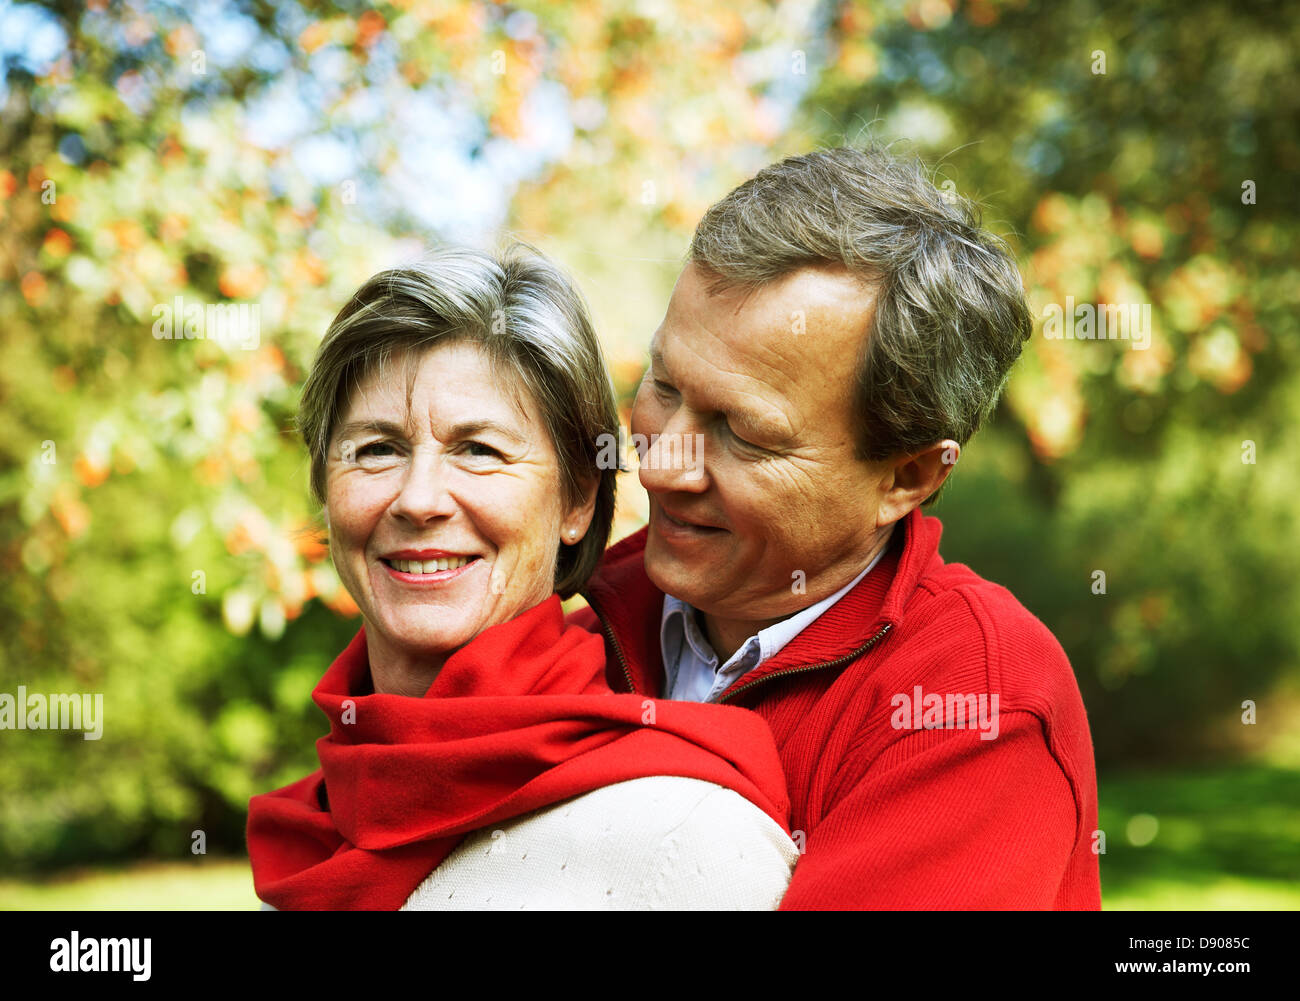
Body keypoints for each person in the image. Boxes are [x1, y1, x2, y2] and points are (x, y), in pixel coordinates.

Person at [570, 143, 1104, 909]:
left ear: (906, 476)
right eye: (663, 384)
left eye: (743, 432)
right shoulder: (585, 617)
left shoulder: (980, 703)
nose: (658, 467)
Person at [246, 245, 799, 910]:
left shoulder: (685, 837)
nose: (419, 499)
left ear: (577, 502)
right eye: (377, 449)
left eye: (479, 450)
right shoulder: (318, 821)